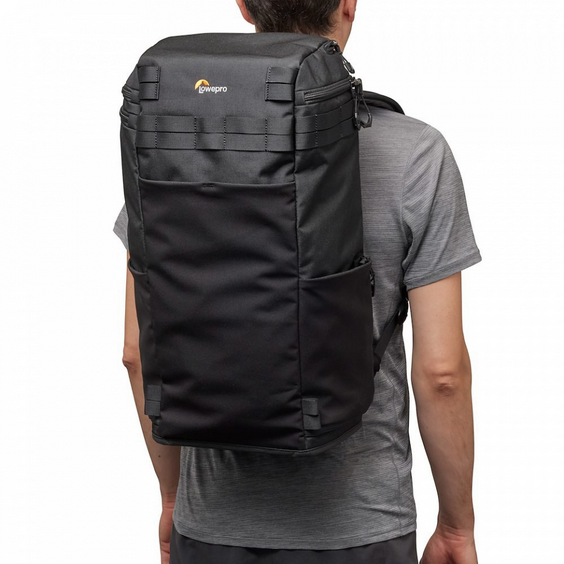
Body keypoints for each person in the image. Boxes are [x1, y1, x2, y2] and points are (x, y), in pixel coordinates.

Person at [113, 1, 482, 562]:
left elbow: (139, 353)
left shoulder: (172, 143)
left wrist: (171, 498)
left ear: (244, 6)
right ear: (349, 4)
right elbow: (442, 374)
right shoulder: (416, 153)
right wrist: (456, 526)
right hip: (364, 529)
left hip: (212, 527)